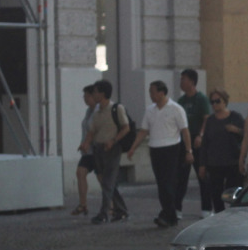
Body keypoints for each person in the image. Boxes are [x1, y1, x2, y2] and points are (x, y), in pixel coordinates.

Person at [127, 79, 193, 227]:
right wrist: (133, 147)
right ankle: (169, 214)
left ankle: (169, 214)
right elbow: (144, 131)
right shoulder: (150, 110)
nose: (150, 94)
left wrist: (189, 151)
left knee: (168, 182)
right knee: (161, 183)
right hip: (155, 148)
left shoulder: (176, 109)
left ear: (161, 92)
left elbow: (185, 130)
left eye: (153, 91)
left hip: (171, 148)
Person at [86, 80, 131, 225]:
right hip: (99, 148)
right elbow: (92, 131)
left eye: (95, 91)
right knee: (109, 183)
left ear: (103, 93)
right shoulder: (97, 111)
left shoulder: (116, 108)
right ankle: (121, 210)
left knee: (107, 182)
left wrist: (113, 140)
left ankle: (104, 213)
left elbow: (126, 127)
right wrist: (86, 143)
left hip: (112, 148)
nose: (93, 94)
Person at [198, 89, 245, 213]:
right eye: (212, 102)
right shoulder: (210, 120)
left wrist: (237, 130)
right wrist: (202, 164)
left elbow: (246, 135)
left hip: (232, 161)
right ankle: (219, 214)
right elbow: (205, 143)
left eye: (217, 101)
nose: (214, 104)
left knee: (233, 192)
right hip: (214, 163)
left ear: (225, 101)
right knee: (216, 193)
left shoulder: (235, 117)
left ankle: (233, 214)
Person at [175, 68, 213, 219]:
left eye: (183, 79)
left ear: (191, 81)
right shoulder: (181, 101)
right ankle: (177, 208)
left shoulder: (201, 99)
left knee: (202, 175)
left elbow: (206, 118)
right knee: (180, 177)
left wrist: (201, 135)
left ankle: (206, 208)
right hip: (183, 141)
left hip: (198, 140)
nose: (181, 82)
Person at [72, 85, 98, 216]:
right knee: (80, 172)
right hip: (87, 151)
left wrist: (87, 142)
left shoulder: (99, 111)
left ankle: (112, 205)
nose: (85, 99)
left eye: (87, 96)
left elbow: (94, 130)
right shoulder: (89, 111)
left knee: (103, 178)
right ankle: (83, 204)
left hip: (97, 150)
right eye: (84, 96)